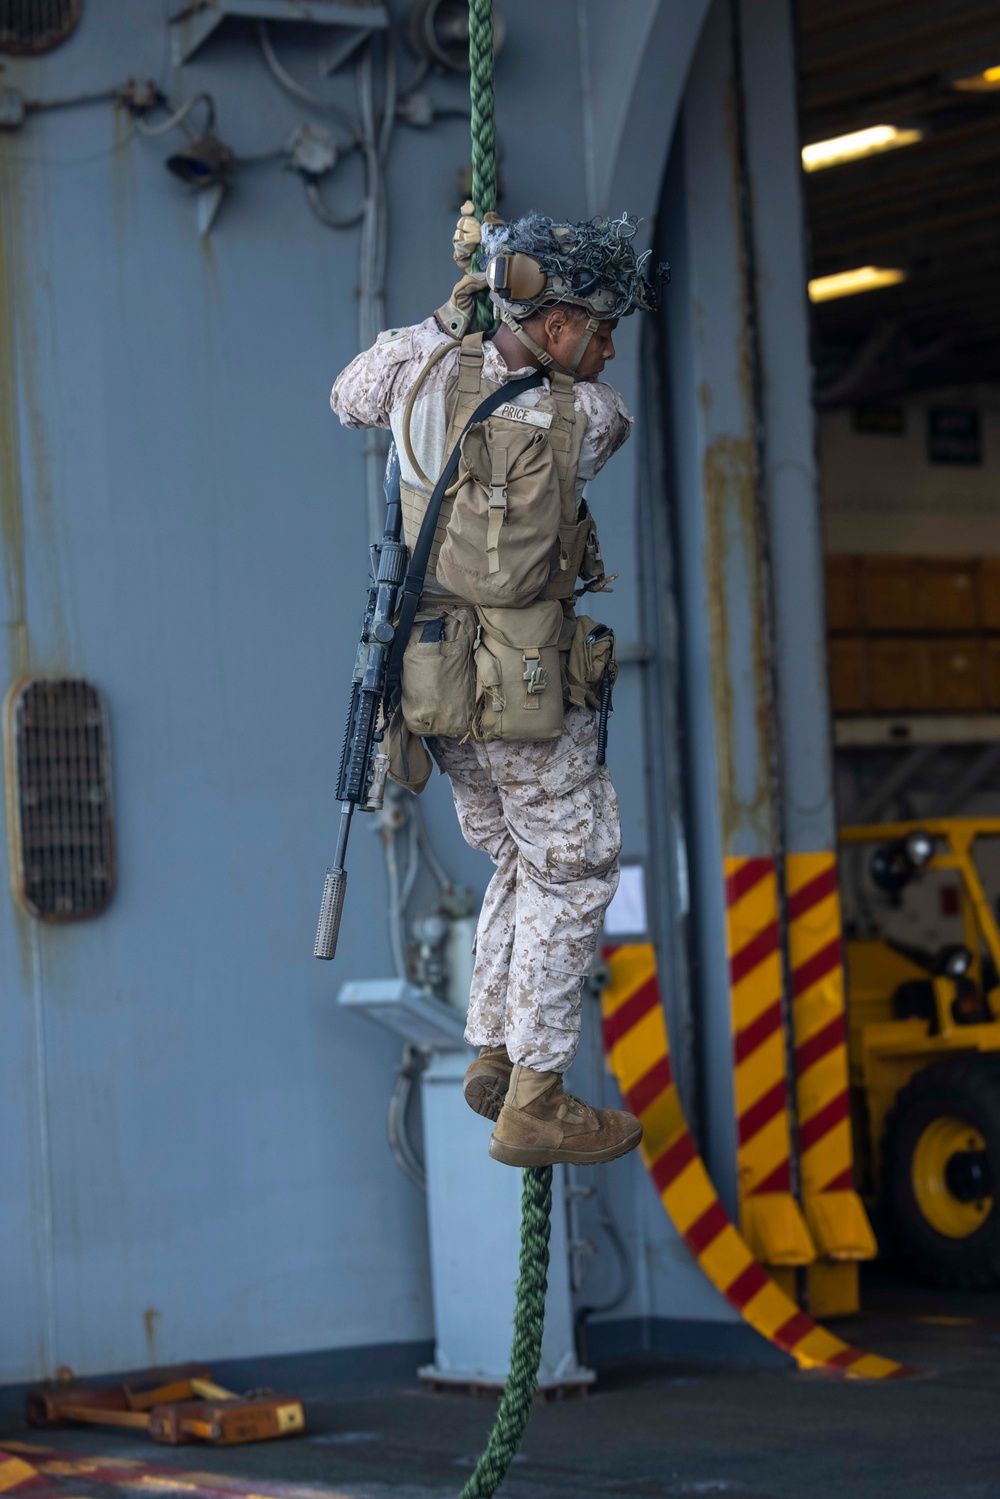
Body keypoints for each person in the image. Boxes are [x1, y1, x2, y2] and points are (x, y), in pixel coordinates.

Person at [331, 208, 665, 1169]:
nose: (604, 351)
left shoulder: (417, 377)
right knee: (576, 861)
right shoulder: (587, 417)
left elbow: (350, 396)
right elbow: (595, 416)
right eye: (598, 330)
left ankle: (494, 1047)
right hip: (522, 684)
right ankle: (539, 1097)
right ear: (556, 329)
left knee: (518, 855)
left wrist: (452, 315)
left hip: (430, 679)